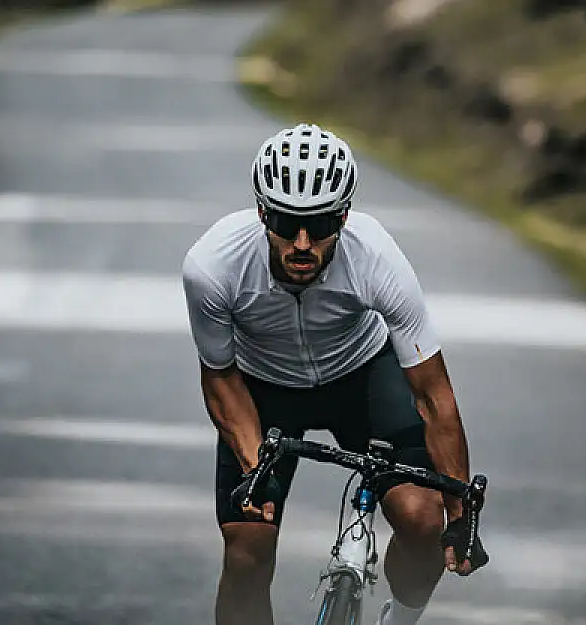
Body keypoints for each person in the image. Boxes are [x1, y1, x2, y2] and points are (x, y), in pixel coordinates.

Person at [181, 123, 488, 625]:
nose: (302, 242)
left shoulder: (377, 257)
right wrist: (255, 465)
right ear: (262, 211)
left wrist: (459, 514)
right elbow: (219, 376)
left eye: (321, 225)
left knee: (422, 520)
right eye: (286, 221)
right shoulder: (214, 266)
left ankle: (401, 620)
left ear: (344, 217)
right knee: (245, 551)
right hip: (263, 390)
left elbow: (433, 396)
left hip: (361, 378)